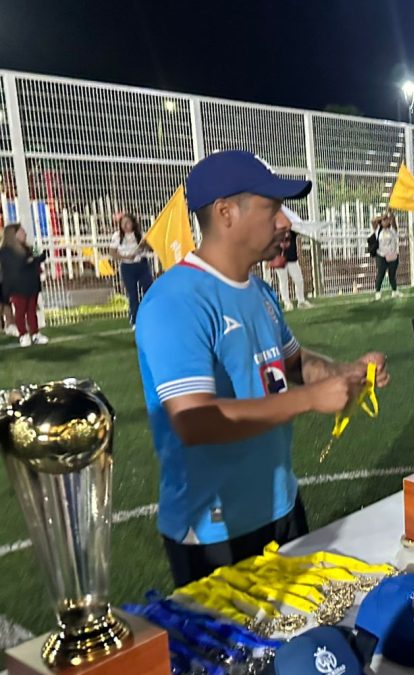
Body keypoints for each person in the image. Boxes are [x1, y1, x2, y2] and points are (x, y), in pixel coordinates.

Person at [134, 150, 389, 586]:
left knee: (301, 641)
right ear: (226, 213)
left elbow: (293, 365)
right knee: (233, 653)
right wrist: (308, 400)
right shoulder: (177, 300)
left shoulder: (260, 293)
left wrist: (344, 373)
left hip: (281, 506)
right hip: (214, 526)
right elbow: (195, 422)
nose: (285, 222)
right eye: (272, 207)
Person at [0, 223, 48, 347]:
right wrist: (31, 261)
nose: (24, 234)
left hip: (32, 284)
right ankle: (23, 335)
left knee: (32, 311)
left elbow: (39, 256)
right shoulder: (6, 251)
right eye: (21, 231)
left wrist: (35, 259)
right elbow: (19, 265)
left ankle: (35, 334)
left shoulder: (29, 247)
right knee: (20, 311)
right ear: (13, 235)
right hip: (17, 286)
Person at [111, 212, 154, 327]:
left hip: (142, 265)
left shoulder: (140, 235)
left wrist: (145, 245)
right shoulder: (117, 236)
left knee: (148, 289)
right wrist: (125, 257)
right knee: (133, 294)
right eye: (122, 223)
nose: (125, 225)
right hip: (127, 267)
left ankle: (149, 315)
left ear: (133, 223)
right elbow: (113, 253)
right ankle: (134, 319)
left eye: (127, 222)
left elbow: (151, 248)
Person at [274, 228, 311, 310]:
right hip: (279, 259)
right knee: (283, 281)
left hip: (292, 259)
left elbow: (300, 231)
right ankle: (286, 302)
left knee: (299, 280)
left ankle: (301, 301)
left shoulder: (292, 229)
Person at [373, 214, 401, 300]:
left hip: (392, 255)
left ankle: (395, 291)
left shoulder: (392, 230)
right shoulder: (378, 230)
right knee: (380, 274)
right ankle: (378, 292)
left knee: (392, 274)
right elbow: (373, 221)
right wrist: (383, 217)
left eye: (386, 220)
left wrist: (390, 215)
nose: (385, 222)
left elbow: (393, 220)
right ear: (381, 222)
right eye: (383, 221)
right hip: (381, 255)